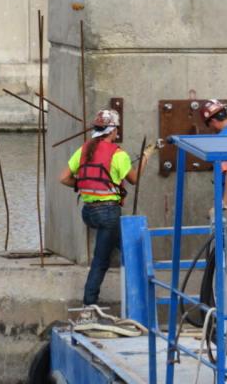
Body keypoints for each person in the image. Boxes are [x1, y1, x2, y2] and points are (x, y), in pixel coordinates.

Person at [59, 108, 158, 306]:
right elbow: (134, 178)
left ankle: (143, 276)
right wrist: (146, 156)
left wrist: (85, 184)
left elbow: (63, 178)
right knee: (101, 261)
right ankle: (89, 304)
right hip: (108, 213)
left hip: (88, 212)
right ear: (113, 131)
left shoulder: (84, 149)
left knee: (128, 245)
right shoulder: (118, 154)